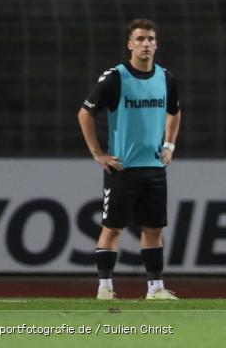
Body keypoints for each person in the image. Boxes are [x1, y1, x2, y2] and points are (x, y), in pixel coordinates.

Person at [77, 18, 181, 300]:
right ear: (130, 45)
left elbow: (174, 111)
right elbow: (85, 114)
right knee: (112, 228)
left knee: (153, 229)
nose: (146, 44)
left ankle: (155, 289)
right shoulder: (116, 78)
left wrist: (169, 144)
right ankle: (105, 288)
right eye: (140, 39)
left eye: (150, 39)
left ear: (156, 44)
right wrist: (98, 154)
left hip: (154, 167)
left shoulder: (165, 78)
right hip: (123, 168)